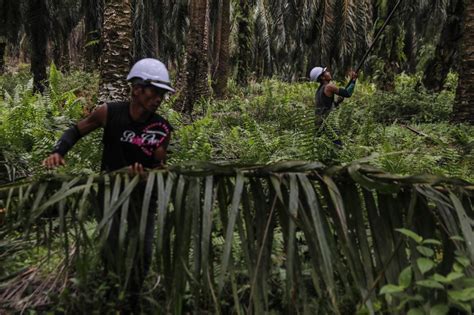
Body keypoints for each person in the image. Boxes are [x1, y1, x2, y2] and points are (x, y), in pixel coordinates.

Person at [42, 58, 175, 309]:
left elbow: (160, 166)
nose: (159, 99)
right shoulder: (109, 113)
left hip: (143, 194)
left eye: (162, 94)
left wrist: (150, 174)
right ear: (137, 89)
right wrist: (58, 152)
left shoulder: (161, 128)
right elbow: (75, 131)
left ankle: (133, 298)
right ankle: (109, 292)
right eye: (154, 92)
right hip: (109, 191)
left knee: (143, 249)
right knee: (110, 243)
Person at [309, 66, 358, 133]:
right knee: (338, 142)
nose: (328, 72)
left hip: (319, 123)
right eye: (326, 72)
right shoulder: (329, 86)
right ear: (322, 77)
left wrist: (337, 102)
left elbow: (325, 106)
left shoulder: (319, 90)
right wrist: (354, 80)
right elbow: (347, 93)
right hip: (327, 122)